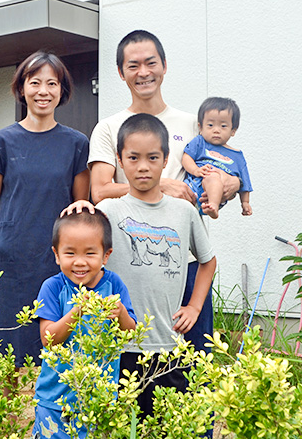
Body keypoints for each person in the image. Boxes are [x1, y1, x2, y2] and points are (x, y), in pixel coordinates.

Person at [88, 29, 237, 352]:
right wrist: (163, 184)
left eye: (150, 63)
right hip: (131, 266)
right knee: (131, 359)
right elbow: (99, 191)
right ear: (120, 72)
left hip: (185, 262)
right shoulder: (109, 128)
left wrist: (233, 184)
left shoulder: (192, 124)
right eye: (133, 65)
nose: (143, 72)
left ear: (164, 66)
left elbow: (224, 168)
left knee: (194, 365)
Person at [91, 113, 217, 418]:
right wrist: (80, 208)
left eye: (152, 157)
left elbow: (208, 261)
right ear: (120, 160)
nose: (143, 166)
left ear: (166, 160)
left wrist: (195, 308)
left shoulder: (183, 211)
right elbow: (84, 246)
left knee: (166, 425)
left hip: (169, 347)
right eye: (133, 157)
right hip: (117, 349)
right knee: (119, 426)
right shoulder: (107, 209)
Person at [0, 51, 90, 367]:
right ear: (22, 87)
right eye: (35, 82)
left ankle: (54, 410)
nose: (43, 91)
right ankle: (8, 412)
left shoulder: (76, 143)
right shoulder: (0, 141)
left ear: (62, 90)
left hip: (57, 259)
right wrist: (11, 236)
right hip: (11, 260)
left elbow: (79, 207)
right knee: (6, 345)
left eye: (52, 83)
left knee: (58, 338)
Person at [33, 210, 137, 439]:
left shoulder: (114, 285)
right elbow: (48, 339)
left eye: (90, 253)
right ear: (56, 254)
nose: (80, 262)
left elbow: (130, 334)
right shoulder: (52, 287)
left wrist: (120, 313)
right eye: (70, 253)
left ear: (106, 255)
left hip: (100, 400)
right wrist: (77, 311)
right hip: (55, 401)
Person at [183, 97, 253, 219]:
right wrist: (196, 170)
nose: (216, 130)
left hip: (220, 195)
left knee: (214, 176)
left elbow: (245, 182)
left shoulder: (237, 155)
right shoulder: (200, 142)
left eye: (223, 126)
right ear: (200, 127)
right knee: (212, 175)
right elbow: (186, 157)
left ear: (233, 131)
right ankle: (212, 206)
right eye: (210, 125)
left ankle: (213, 207)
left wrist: (245, 203)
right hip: (193, 187)